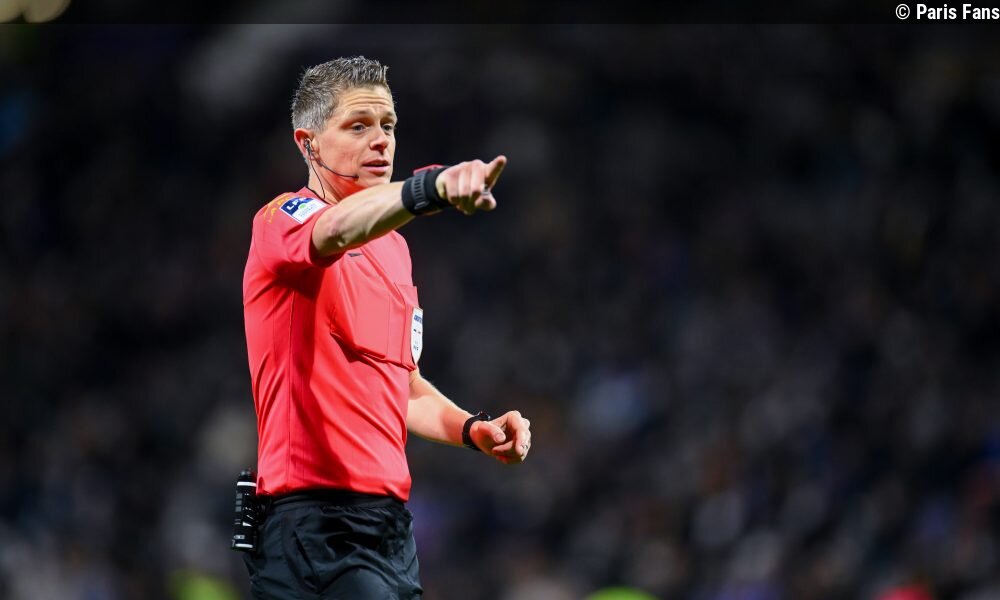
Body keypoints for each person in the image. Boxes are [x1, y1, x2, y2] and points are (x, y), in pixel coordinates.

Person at [240, 56, 533, 599]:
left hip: (391, 530)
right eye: (358, 126)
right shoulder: (281, 220)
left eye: (388, 125)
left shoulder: (394, 249)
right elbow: (336, 227)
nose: (381, 140)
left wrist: (473, 429)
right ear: (309, 143)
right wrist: (429, 189)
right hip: (313, 526)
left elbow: (404, 388)